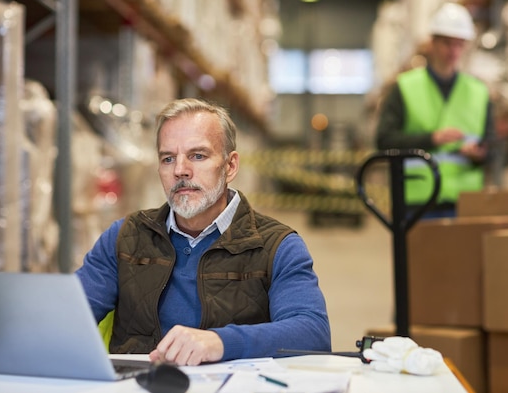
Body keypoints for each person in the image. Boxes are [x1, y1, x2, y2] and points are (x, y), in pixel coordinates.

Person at [76, 98, 331, 365]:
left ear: (230, 166)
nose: (180, 170)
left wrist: (221, 342)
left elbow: (313, 333)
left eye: (198, 156)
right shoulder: (124, 238)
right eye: (168, 158)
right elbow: (67, 316)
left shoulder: (276, 246)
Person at [376, 2, 493, 219]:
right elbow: (384, 140)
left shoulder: (479, 92)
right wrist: (432, 138)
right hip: (417, 204)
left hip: (465, 202)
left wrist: (479, 153)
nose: (453, 51)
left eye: (459, 44)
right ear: (432, 42)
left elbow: (492, 147)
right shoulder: (404, 87)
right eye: (447, 43)